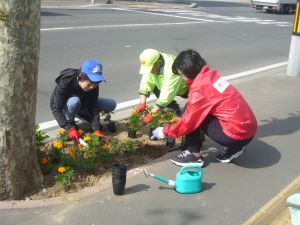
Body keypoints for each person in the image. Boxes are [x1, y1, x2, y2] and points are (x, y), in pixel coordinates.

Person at [151, 49, 257, 167]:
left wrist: (164, 131)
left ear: (186, 71)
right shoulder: (212, 76)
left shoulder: (200, 88)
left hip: (235, 134)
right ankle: (235, 149)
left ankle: (193, 155)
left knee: (191, 115)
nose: (181, 77)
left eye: (180, 74)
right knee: (196, 111)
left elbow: (188, 123)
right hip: (249, 129)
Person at [50, 59, 117, 141]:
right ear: (81, 76)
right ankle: (71, 121)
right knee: (74, 101)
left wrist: (96, 129)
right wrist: (69, 127)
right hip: (66, 105)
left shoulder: (94, 84)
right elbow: (56, 108)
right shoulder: (66, 81)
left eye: (95, 83)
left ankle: (82, 114)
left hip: (83, 102)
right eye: (90, 83)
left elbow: (94, 106)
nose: (92, 87)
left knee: (111, 104)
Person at [136, 49, 188, 123]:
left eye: (150, 69)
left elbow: (167, 93)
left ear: (159, 63)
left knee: (192, 107)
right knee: (154, 83)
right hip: (166, 85)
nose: (150, 71)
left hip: (186, 88)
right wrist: (142, 103)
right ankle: (171, 106)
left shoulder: (172, 69)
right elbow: (146, 80)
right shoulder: (154, 59)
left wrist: (151, 114)